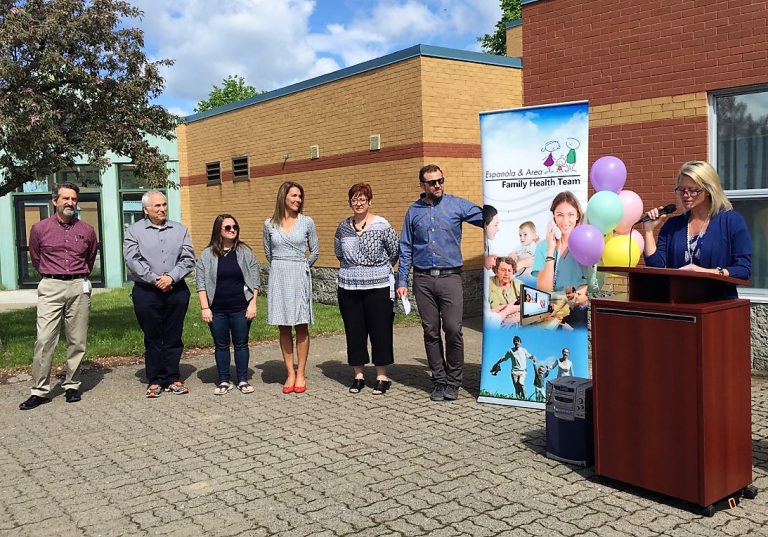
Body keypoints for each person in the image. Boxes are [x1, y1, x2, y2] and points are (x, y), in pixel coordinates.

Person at [397, 164, 483, 402]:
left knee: (454, 330)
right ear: (422, 185)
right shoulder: (413, 212)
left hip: (450, 277)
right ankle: (439, 380)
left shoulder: (457, 205)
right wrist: (402, 279)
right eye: (432, 182)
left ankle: (454, 381)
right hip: (423, 279)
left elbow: (486, 217)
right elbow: (406, 247)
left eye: (440, 180)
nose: (438, 185)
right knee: (431, 331)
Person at [19, 183, 98, 410]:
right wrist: (52, 275)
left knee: (77, 339)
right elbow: (36, 257)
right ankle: (40, 390)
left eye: (73, 199)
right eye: (65, 198)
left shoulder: (87, 230)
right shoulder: (39, 228)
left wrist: (78, 278)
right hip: (51, 285)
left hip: (78, 285)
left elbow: (90, 257)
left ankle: (72, 385)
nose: (70, 203)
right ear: (55, 201)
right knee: (44, 339)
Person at [643, 160, 752, 298]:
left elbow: (743, 269)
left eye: (693, 190)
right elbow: (656, 266)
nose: (686, 195)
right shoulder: (673, 225)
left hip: (717, 306)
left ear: (708, 190)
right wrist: (648, 231)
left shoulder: (731, 221)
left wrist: (705, 272)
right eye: (681, 190)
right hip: (679, 305)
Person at [124, 190, 195, 398]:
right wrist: (156, 279)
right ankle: (155, 379)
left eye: (164, 205)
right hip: (147, 291)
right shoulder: (134, 231)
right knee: (153, 336)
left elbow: (188, 258)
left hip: (176, 289)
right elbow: (132, 259)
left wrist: (171, 277)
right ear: (146, 209)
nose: (162, 209)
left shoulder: (180, 230)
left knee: (173, 335)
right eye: (157, 206)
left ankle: (173, 377)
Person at [334, 183, 399, 395]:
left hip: (378, 286)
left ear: (370, 201)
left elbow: (394, 251)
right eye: (354, 199)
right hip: (349, 286)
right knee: (355, 331)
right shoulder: (343, 227)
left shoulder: (382, 225)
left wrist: (376, 268)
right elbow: (339, 253)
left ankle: (382, 376)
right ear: (350, 202)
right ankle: (358, 376)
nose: (358, 203)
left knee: (380, 330)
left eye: (362, 199)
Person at [263, 181, 319, 394]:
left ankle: (301, 372)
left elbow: (315, 251)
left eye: (300, 196)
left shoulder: (307, 222)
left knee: (301, 324)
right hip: (279, 274)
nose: (298, 200)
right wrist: (280, 266)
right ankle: (290, 372)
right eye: (294, 196)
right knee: (284, 325)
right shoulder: (269, 224)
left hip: (299, 274)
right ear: (283, 197)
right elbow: (268, 253)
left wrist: (302, 266)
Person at [196, 214, 261, 395]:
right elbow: (200, 283)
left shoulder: (244, 252)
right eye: (228, 227)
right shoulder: (207, 255)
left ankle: (242, 379)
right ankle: (224, 380)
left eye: (235, 227)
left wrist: (253, 303)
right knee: (221, 345)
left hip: (241, 307)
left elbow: (255, 279)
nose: (232, 230)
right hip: (217, 310)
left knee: (241, 344)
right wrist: (205, 307)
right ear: (219, 230)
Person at [532, 190, 601, 294]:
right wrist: (550, 250)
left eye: (570, 215)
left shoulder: (586, 244)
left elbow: (592, 285)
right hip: (553, 307)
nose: (565, 221)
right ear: (553, 217)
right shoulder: (542, 247)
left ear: (577, 216)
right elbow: (544, 289)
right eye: (560, 215)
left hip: (578, 305)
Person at [490, 335, 537, 400]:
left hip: (523, 371)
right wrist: (497, 363)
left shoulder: (523, 350)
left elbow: (529, 356)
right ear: (513, 343)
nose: (516, 342)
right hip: (514, 372)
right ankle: (518, 400)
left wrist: (533, 357)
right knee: (516, 388)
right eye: (515, 341)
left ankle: (524, 398)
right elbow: (504, 358)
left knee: (521, 383)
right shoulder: (510, 351)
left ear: (520, 342)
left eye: (518, 341)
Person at [487, 256, 522, 326]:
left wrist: (514, 318)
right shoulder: (488, 283)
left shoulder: (519, 284)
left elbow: (527, 308)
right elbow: (488, 313)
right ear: (496, 271)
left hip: (518, 322)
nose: (506, 274)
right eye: (503, 270)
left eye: (509, 270)